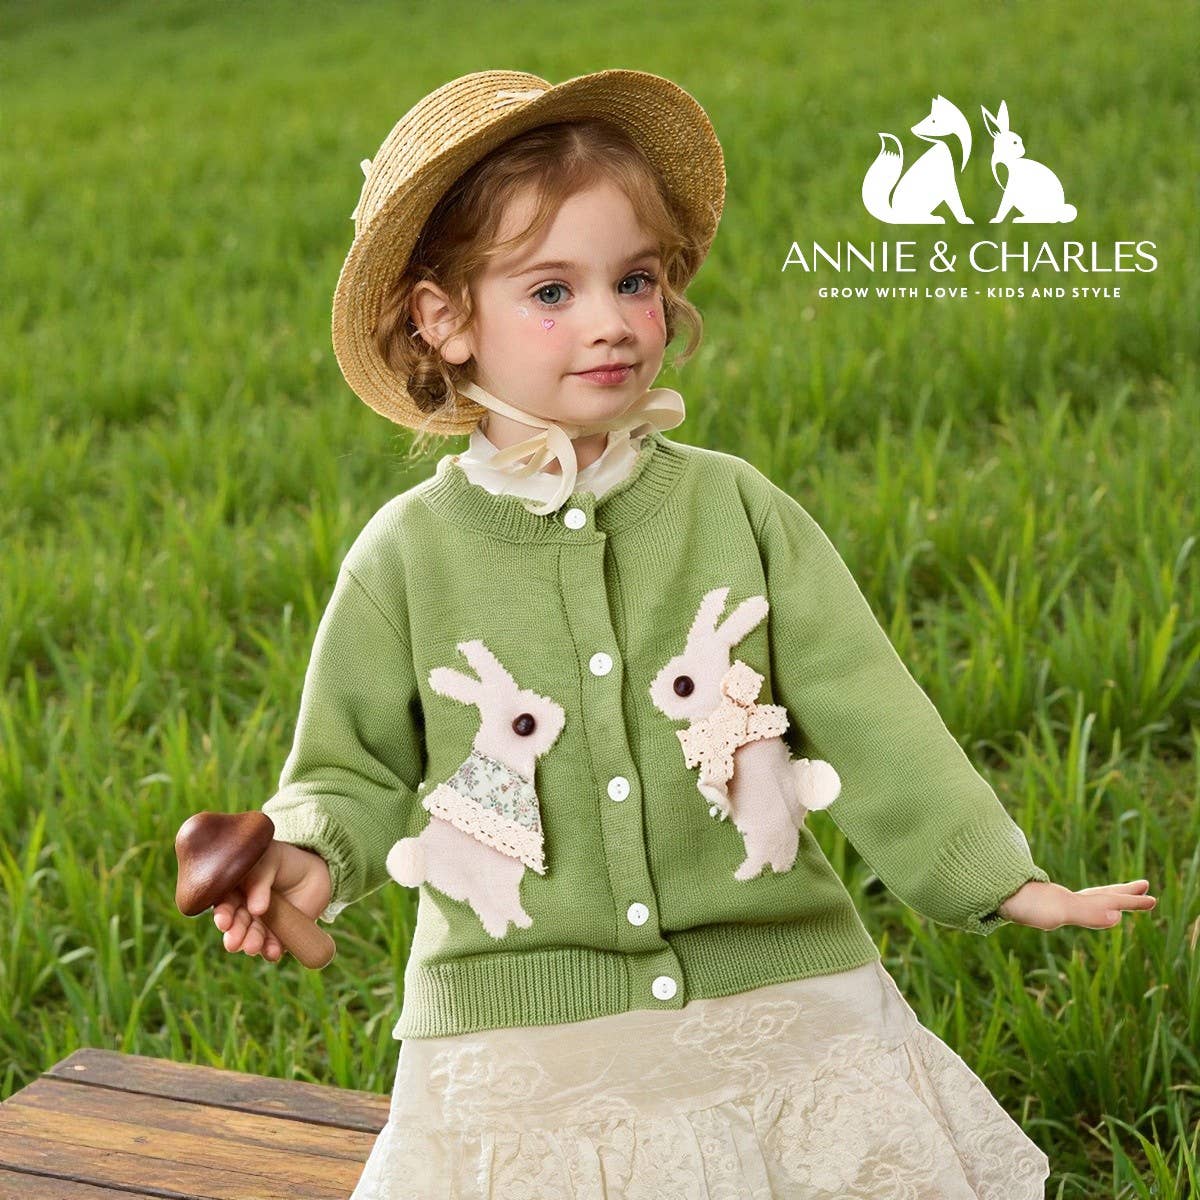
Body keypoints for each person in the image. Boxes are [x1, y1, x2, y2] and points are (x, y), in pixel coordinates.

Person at [211, 69, 1157, 1198]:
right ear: (444, 320)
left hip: (777, 984)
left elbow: (866, 707)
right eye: (552, 290)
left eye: (636, 280)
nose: (611, 320)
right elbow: (351, 768)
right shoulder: (407, 556)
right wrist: (309, 856)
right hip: (523, 1016)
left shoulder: (735, 509)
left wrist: (998, 879)